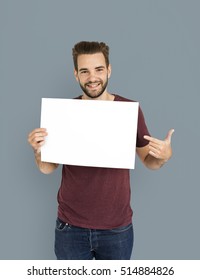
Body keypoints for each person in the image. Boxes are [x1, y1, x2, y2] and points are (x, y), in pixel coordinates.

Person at [28, 41, 174, 260]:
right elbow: (47, 168)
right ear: (76, 74)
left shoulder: (129, 110)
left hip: (117, 229)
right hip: (70, 228)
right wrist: (38, 152)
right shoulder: (63, 113)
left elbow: (149, 161)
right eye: (85, 71)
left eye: (99, 69)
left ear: (109, 70)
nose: (92, 77)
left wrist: (164, 157)